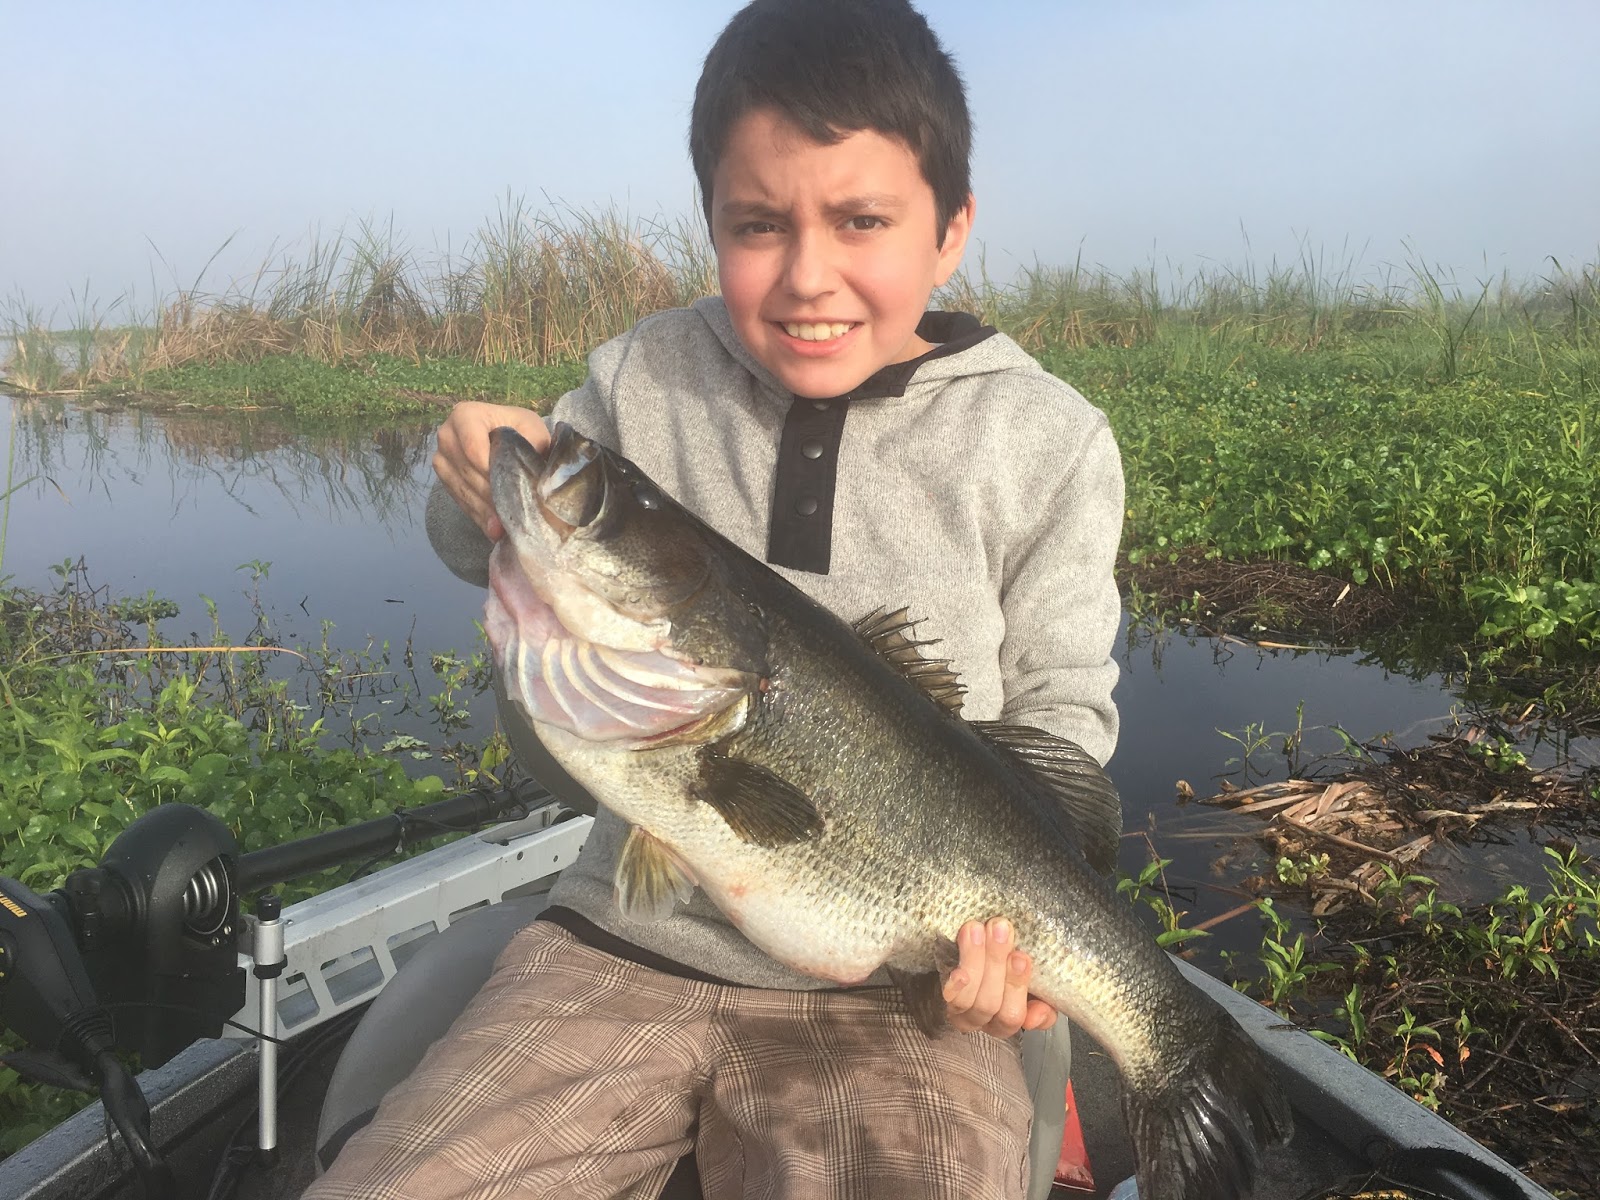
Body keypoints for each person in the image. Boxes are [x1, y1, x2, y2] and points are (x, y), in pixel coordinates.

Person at [306, 1, 1123, 1196]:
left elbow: (1058, 715)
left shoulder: (1045, 440)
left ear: (950, 229)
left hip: (906, 996)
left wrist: (1011, 959)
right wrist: (477, 484)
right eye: (756, 225)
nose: (807, 275)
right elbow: (507, 535)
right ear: (710, 226)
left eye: (861, 221)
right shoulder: (642, 377)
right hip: (622, 936)